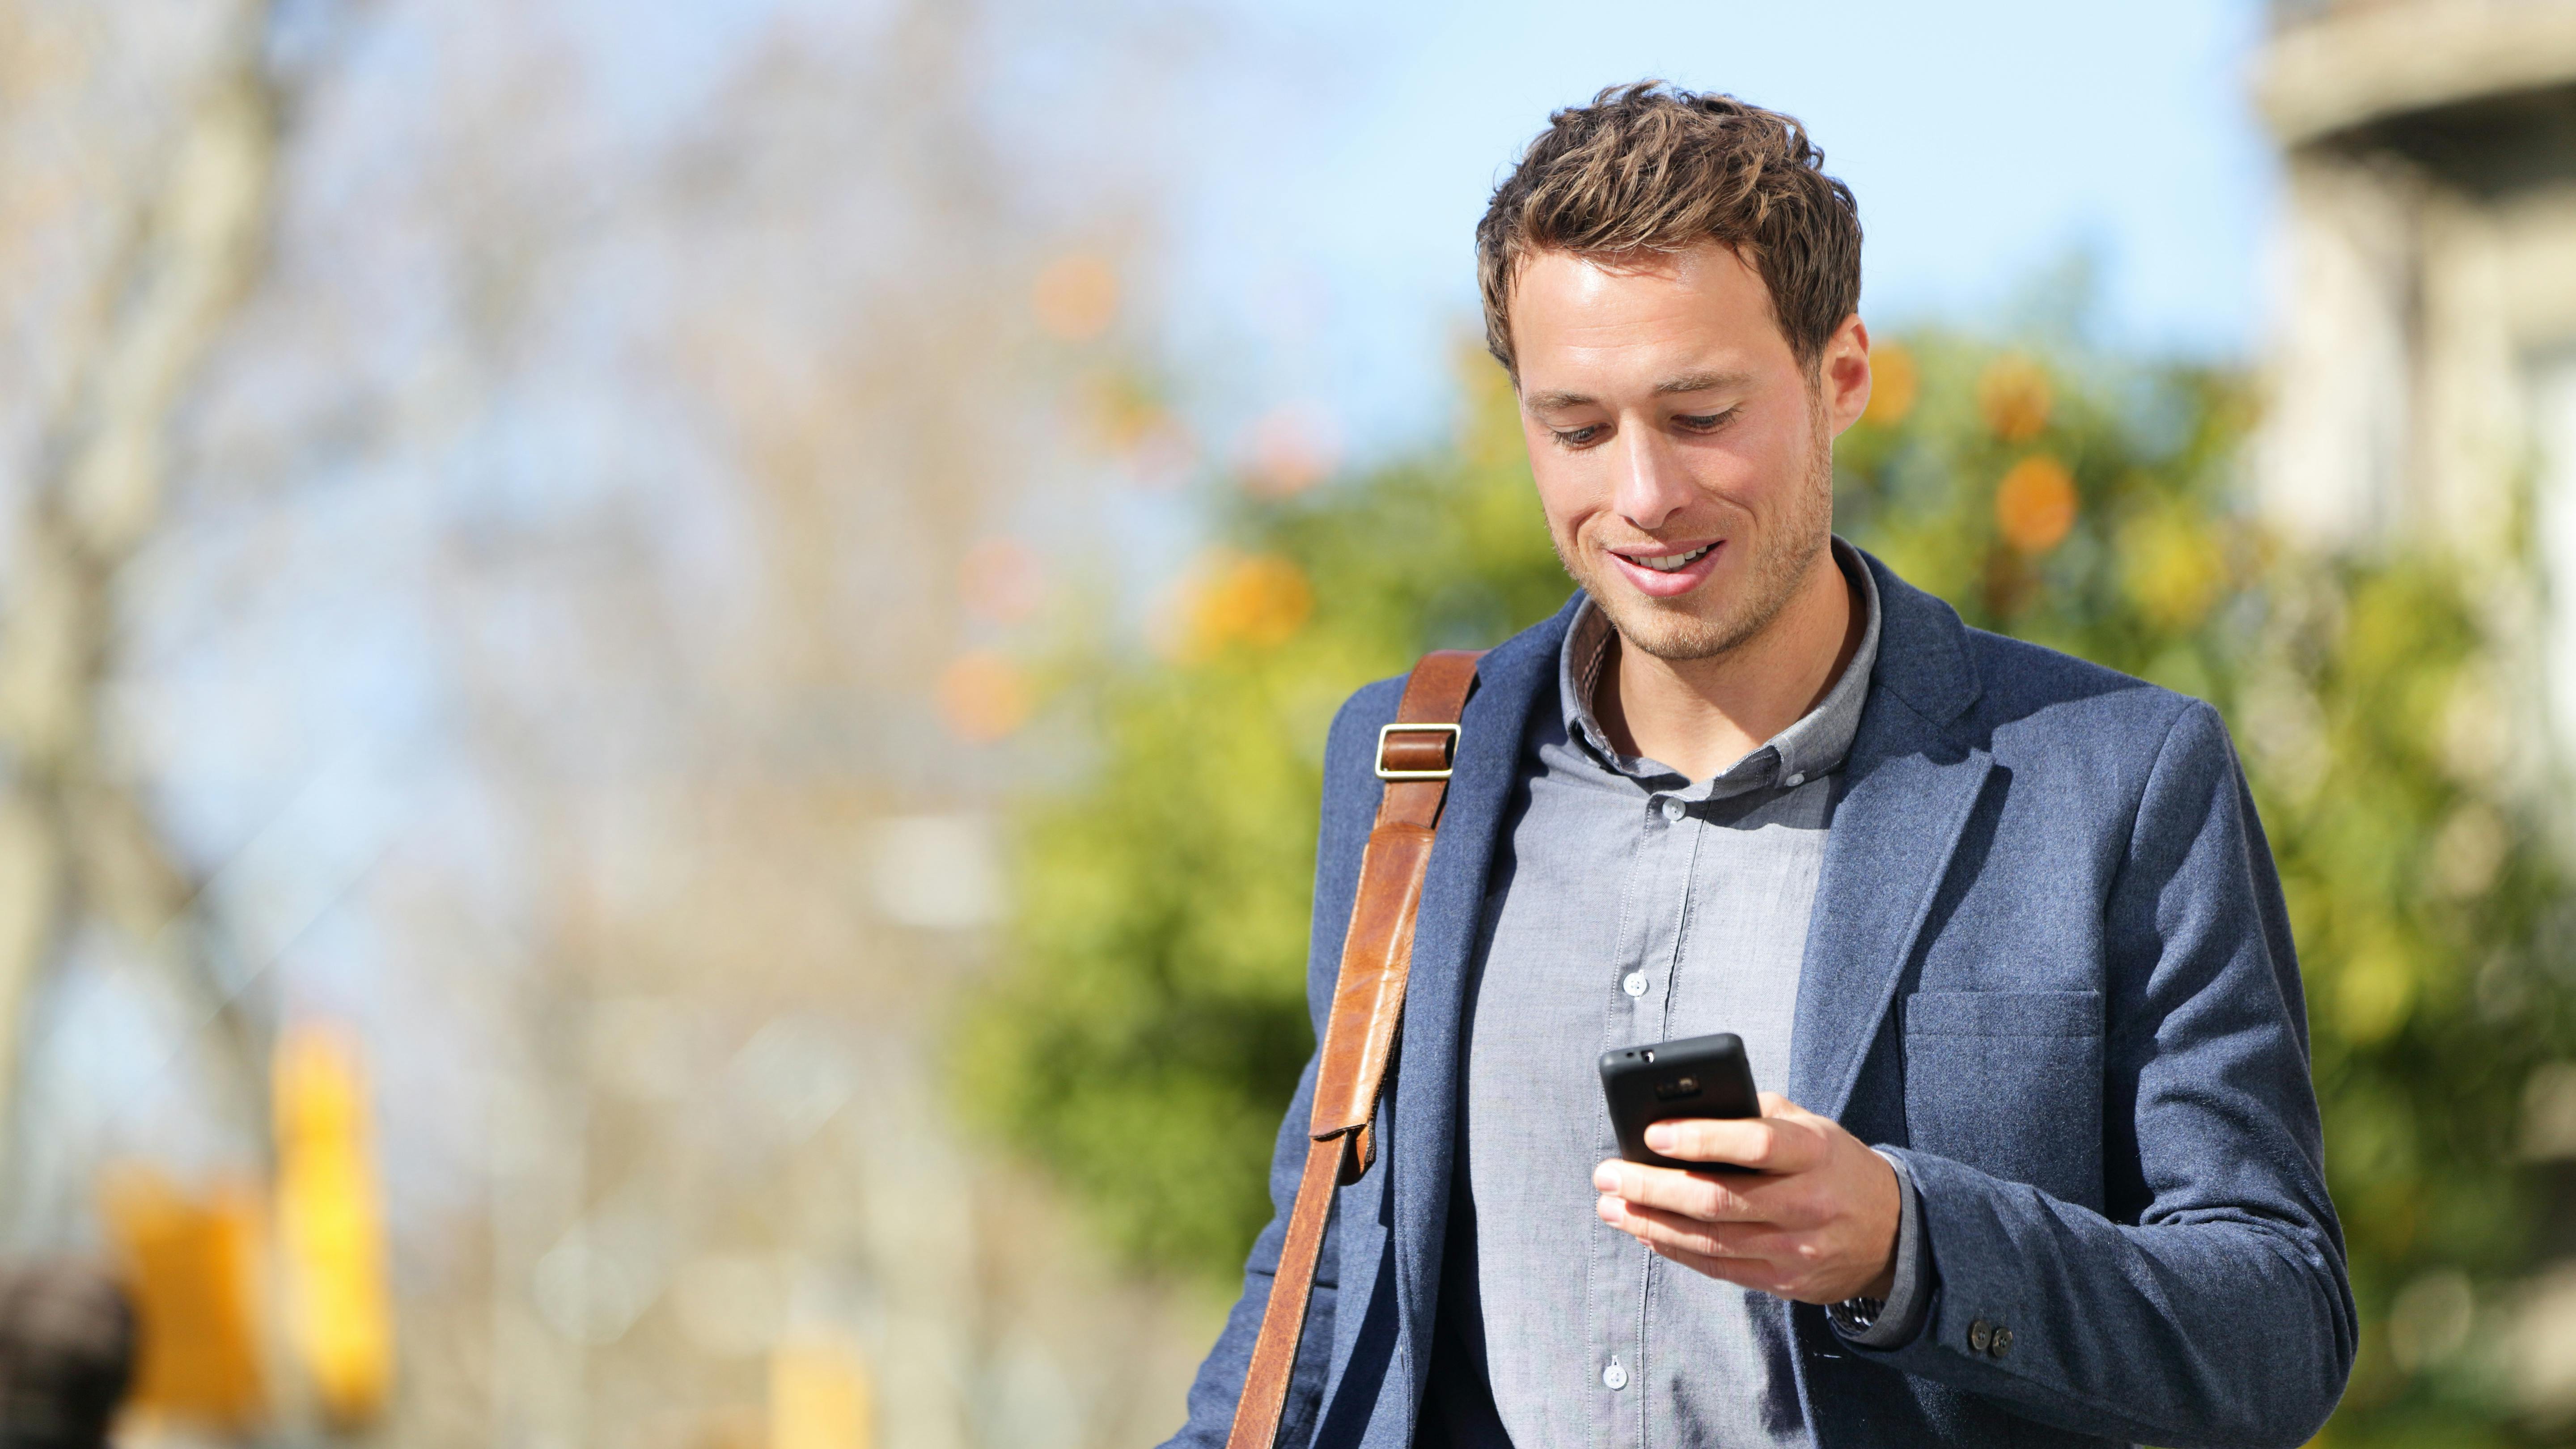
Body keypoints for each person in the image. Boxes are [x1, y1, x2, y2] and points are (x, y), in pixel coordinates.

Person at [1162, 82, 2355, 1449]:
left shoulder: (2120, 778)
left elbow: (2280, 1325)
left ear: (1841, 376)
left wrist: (1908, 1243)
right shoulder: (1407, 767)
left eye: (1700, 413)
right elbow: (1321, 1282)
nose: (1645, 493)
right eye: (1577, 427)